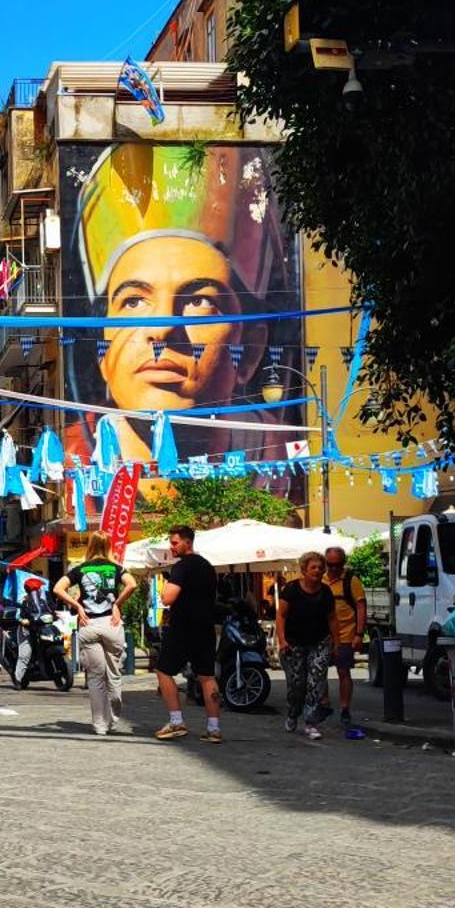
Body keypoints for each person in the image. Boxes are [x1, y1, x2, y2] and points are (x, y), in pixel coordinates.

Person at [63, 142, 299, 487]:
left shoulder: (280, 458)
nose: (161, 330)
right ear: (103, 347)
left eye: (200, 301)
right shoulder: (70, 457)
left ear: (251, 348)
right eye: (133, 302)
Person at [53, 533, 136, 736]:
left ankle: (100, 726)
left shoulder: (80, 570)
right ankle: (114, 718)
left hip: (88, 624)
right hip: (111, 623)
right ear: (108, 546)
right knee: (114, 674)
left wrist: (77, 606)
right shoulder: (116, 568)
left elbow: (57, 588)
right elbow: (132, 584)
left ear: (89, 546)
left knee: (96, 678)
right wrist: (117, 604)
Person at [154, 525, 222, 744]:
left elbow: (168, 598)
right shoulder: (208, 567)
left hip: (183, 628)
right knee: (207, 676)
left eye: (174, 543)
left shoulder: (182, 567)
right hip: (205, 628)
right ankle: (214, 728)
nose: (171, 547)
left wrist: (166, 586)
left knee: (164, 672)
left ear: (187, 542)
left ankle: (176, 722)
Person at [276, 552, 341, 740]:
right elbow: (281, 616)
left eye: (321, 568)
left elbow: (332, 619)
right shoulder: (291, 589)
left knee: (316, 681)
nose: (318, 571)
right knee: (297, 684)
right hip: (295, 642)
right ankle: (293, 713)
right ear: (304, 570)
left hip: (319, 641)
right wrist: (282, 640)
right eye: (313, 567)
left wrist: (337, 643)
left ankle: (310, 722)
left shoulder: (326, 592)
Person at [321, 546, 367, 726]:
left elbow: (361, 607)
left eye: (337, 565)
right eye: (329, 565)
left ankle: (345, 708)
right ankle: (324, 703)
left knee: (343, 672)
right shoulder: (321, 580)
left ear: (343, 563)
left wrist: (359, 634)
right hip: (324, 634)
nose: (333, 569)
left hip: (346, 634)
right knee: (319, 671)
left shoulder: (351, 581)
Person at [14, 576, 53, 687]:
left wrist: (55, 614)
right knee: (25, 655)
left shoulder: (43, 601)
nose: (38, 591)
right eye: (36, 589)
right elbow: (18, 615)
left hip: (42, 628)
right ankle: (18, 679)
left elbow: (49, 610)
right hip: (27, 630)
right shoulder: (23, 601)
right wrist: (23, 620)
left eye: (39, 589)